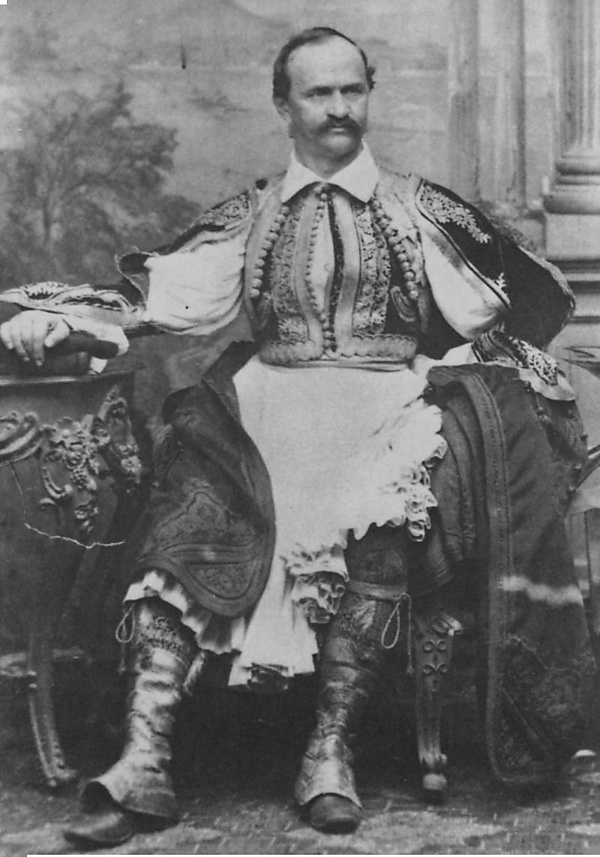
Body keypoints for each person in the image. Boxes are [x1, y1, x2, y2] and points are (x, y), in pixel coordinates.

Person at [0, 26, 595, 846]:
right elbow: (158, 301)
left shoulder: (418, 206)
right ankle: (144, 756)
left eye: (353, 90)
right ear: (284, 107)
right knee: (189, 518)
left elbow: (504, 305)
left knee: (378, 528)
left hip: (386, 407)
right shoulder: (251, 213)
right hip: (267, 407)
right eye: (320, 93)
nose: (340, 108)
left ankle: (330, 752)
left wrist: (468, 365)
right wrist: (59, 323)